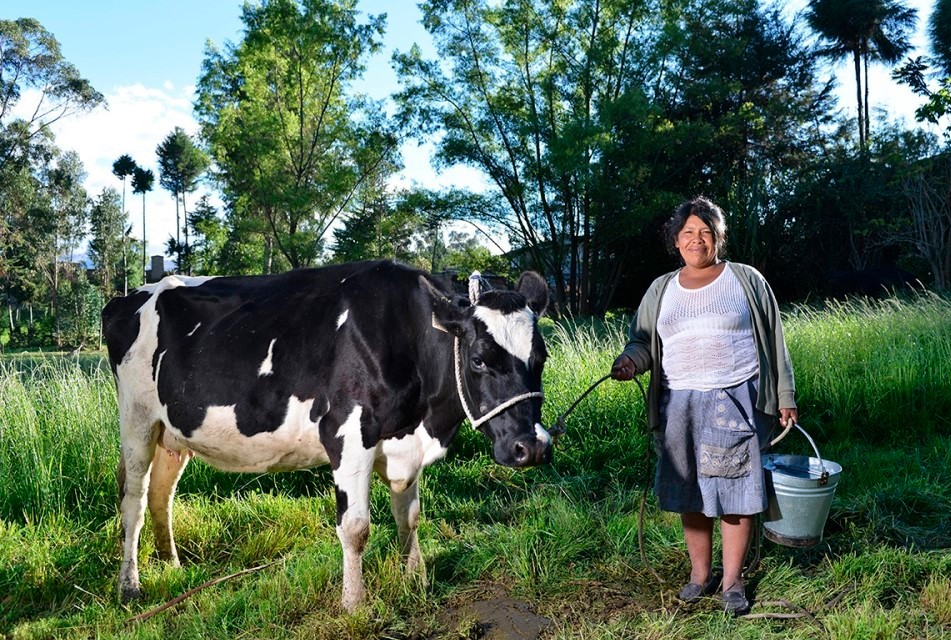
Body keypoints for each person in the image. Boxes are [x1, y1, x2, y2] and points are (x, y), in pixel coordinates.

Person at [610, 196, 798, 615]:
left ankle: (732, 581)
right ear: (676, 241)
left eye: (706, 232)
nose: (698, 240)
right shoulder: (661, 289)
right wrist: (629, 362)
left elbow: (776, 341)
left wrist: (785, 396)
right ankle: (700, 575)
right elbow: (642, 342)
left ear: (718, 239)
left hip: (736, 398)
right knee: (690, 492)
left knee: (736, 492)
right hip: (679, 403)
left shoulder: (746, 280)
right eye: (689, 233)